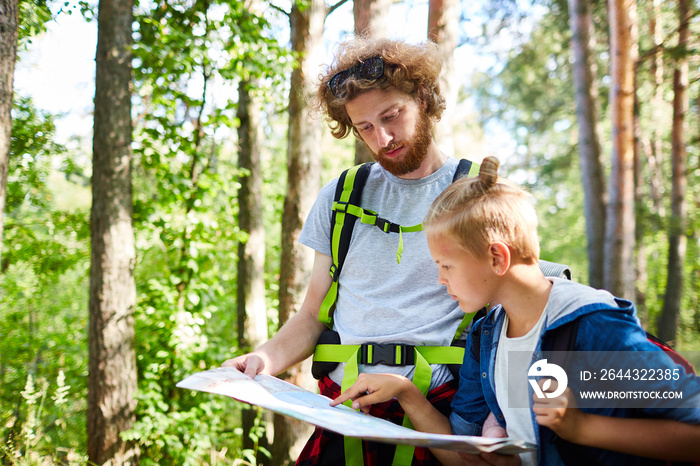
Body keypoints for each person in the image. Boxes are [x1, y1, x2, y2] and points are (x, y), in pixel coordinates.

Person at [332, 156, 700, 466]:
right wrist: (406, 391)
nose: (440, 280)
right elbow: (463, 456)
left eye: (446, 266)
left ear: (496, 257)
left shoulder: (591, 328)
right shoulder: (488, 335)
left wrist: (583, 429)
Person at [223, 36, 483, 465]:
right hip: (344, 418)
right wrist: (262, 359)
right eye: (364, 127)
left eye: (391, 116)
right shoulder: (342, 196)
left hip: (437, 417)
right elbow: (311, 315)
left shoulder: (474, 194)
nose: (382, 138)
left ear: (422, 97)